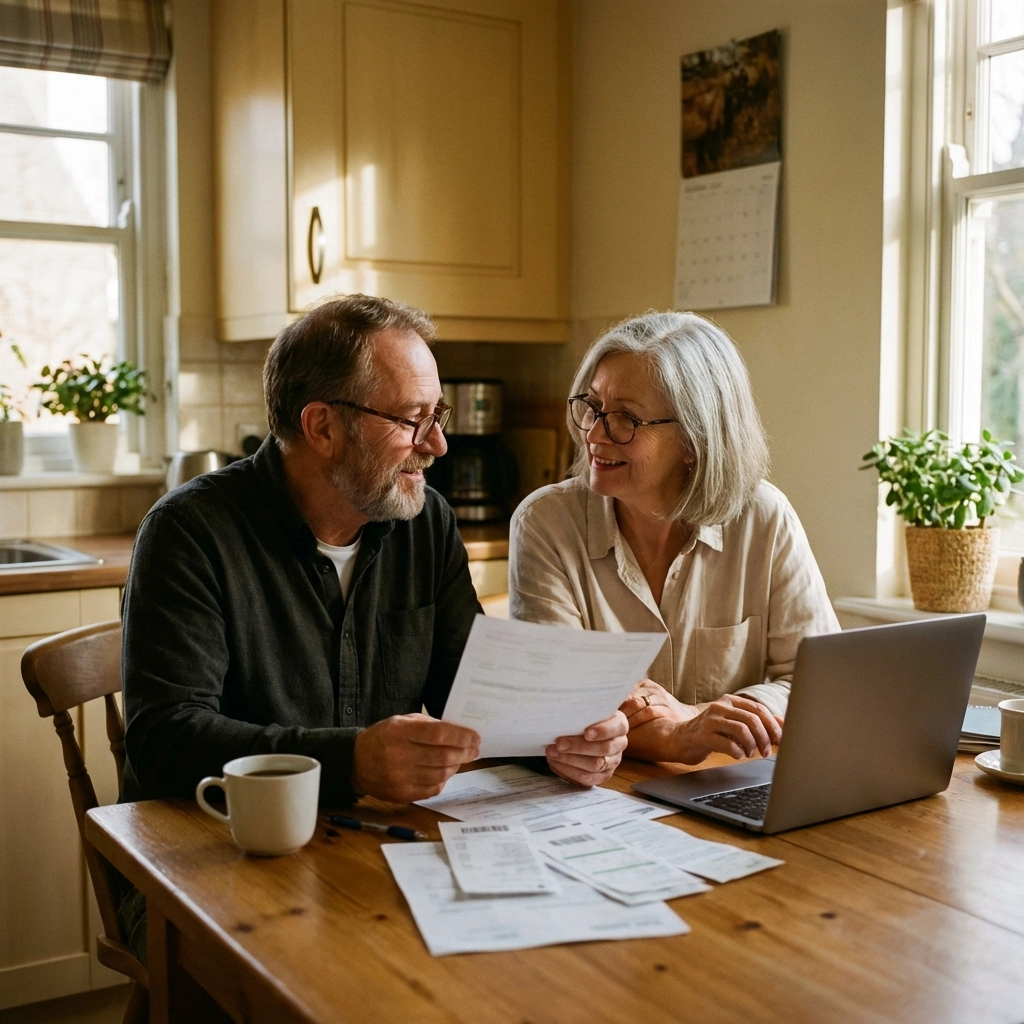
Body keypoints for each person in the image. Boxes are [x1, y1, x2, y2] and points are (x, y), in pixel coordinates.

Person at [509, 311, 839, 766]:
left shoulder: (765, 517)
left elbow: (821, 685)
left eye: (626, 418)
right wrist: (678, 735)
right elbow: (560, 705)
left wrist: (697, 718)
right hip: (606, 788)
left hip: (729, 780)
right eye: (593, 406)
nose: (595, 434)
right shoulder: (546, 523)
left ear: (694, 440)